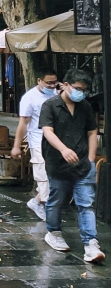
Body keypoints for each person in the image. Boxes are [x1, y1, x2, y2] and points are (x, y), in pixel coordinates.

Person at [39, 69, 104, 263]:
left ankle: (91, 242)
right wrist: (63, 150)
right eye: (77, 88)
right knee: (57, 200)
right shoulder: (50, 105)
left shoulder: (85, 106)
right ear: (65, 85)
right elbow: (47, 131)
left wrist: (91, 158)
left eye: (84, 90)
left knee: (86, 203)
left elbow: (93, 131)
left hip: (83, 163)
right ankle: (54, 232)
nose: (80, 93)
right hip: (57, 163)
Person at [11, 66, 59, 221]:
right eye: (48, 83)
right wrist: (16, 146)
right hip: (38, 141)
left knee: (55, 177)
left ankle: (37, 201)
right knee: (43, 176)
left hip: (57, 141)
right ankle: (46, 209)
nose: (52, 86)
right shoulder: (29, 98)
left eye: (54, 82)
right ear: (39, 81)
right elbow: (23, 123)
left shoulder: (58, 93)